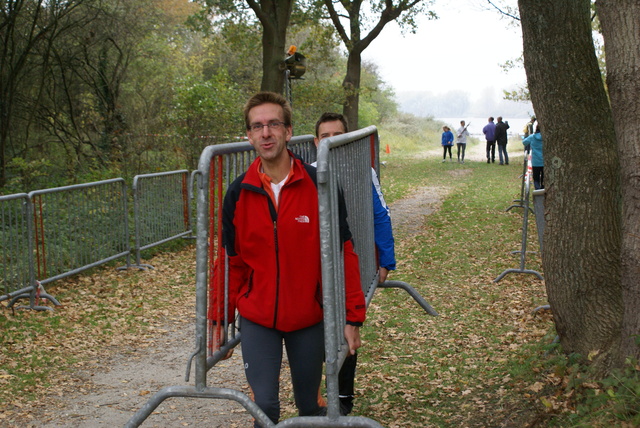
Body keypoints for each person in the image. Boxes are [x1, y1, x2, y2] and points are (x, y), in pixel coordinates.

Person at [216, 92, 366, 426]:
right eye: (257, 126)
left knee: (309, 408)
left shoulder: (320, 186)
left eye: (273, 124)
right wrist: (219, 319)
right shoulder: (239, 192)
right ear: (249, 136)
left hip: (308, 317)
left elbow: (344, 253)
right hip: (258, 319)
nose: (265, 133)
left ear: (288, 131)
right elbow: (231, 262)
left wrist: (352, 316)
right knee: (264, 407)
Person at [313, 112, 396, 415]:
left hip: (351, 266)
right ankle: (316, 395)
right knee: (316, 333)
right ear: (316, 142)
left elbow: (380, 215)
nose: (332, 141)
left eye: (339, 135)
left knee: (346, 329)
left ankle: (342, 400)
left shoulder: (365, 170)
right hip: (315, 272)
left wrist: (385, 260)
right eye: (326, 136)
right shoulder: (308, 172)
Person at [522, 124, 544, 189]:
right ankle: (543, 190)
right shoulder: (546, 137)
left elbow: (524, 142)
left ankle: (537, 191)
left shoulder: (532, 137)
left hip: (535, 161)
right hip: (545, 161)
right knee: (544, 178)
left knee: (536, 178)